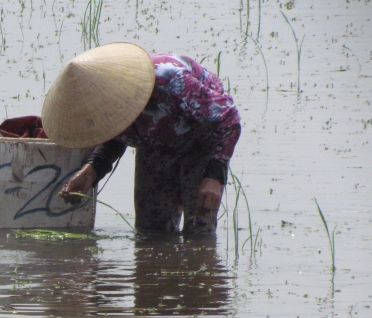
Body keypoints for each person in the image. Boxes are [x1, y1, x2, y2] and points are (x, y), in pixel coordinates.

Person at [42, 43, 241, 234]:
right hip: (154, 142)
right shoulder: (102, 108)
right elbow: (118, 130)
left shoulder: (170, 80)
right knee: (150, 229)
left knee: (199, 227)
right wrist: (95, 168)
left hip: (201, 138)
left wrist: (215, 175)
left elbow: (228, 117)